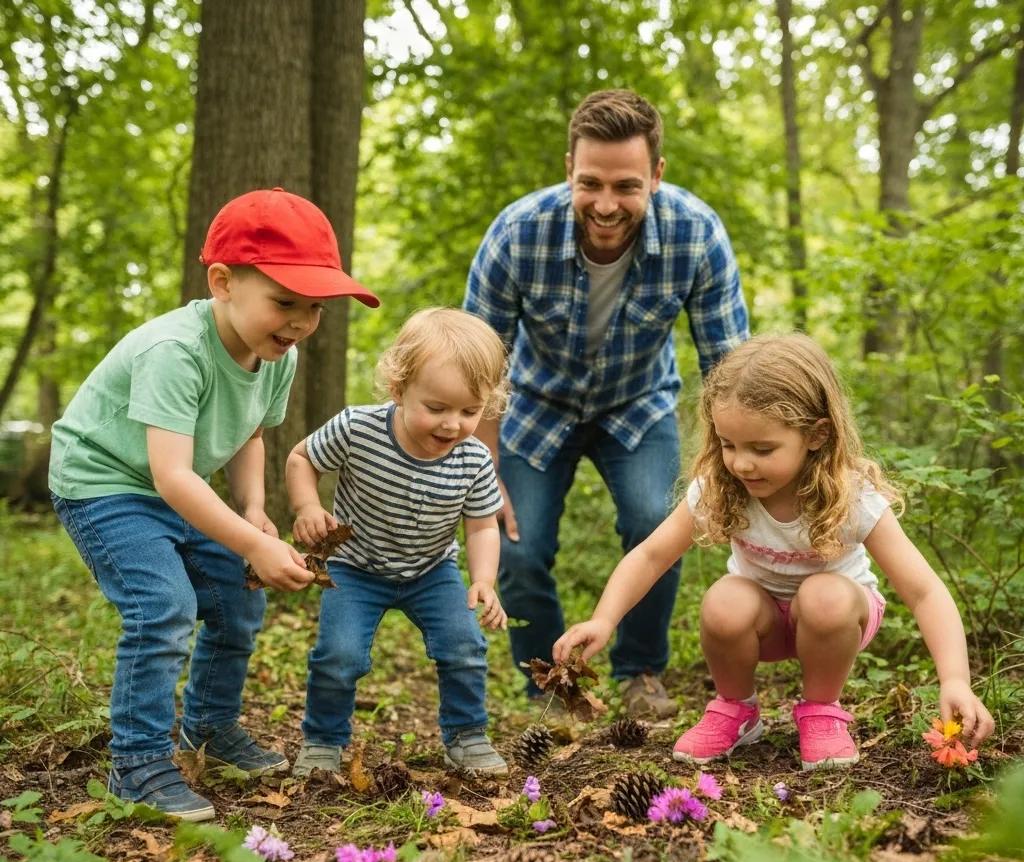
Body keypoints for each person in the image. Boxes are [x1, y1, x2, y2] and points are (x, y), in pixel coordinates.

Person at [49, 188, 380, 820]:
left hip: (176, 485)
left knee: (236, 599)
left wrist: (253, 507)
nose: (300, 323)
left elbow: (250, 431)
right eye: (285, 303)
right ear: (224, 282)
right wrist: (255, 543)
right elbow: (172, 477)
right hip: (106, 482)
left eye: (315, 309)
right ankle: (139, 763)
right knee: (163, 606)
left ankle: (209, 725)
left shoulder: (276, 354)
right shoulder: (175, 351)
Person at [554, 333, 994, 769]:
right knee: (724, 598)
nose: (742, 463)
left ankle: (822, 710)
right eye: (728, 445)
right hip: (762, 624)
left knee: (825, 594)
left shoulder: (851, 497)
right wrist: (604, 618)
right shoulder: (722, 489)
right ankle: (736, 709)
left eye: (762, 449)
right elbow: (652, 555)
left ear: (817, 435)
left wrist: (955, 679)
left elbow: (924, 591)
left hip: (836, 619)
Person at [464, 88, 748, 718]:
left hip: (637, 405)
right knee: (516, 542)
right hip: (534, 409)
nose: (606, 203)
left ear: (657, 175)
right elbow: (478, 364)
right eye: (590, 183)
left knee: (655, 520)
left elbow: (728, 366)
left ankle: (640, 671)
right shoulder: (517, 233)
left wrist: (727, 458)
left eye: (627, 186)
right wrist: (482, 469)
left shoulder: (696, 234)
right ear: (569, 169)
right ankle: (551, 680)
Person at [285, 307, 511, 778]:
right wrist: (307, 507)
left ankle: (466, 735)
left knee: (464, 645)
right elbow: (301, 457)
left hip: (432, 571)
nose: (453, 424)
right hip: (354, 567)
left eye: (470, 411)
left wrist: (484, 580)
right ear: (399, 389)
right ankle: (324, 741)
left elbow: (483, 524)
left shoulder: (472, 457)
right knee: (339, 655)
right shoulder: (358, 428)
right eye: (437, 408)